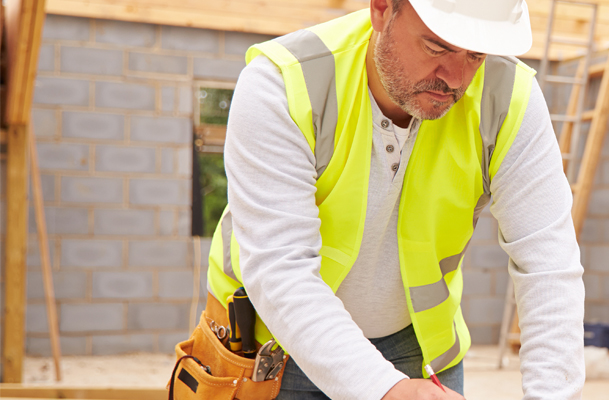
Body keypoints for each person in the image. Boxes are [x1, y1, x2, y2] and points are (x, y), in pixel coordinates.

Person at [205, 0, 585, 398]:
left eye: (476, 55)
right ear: (382, 9)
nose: (456, 79)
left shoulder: (509, 99)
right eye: (437, 47)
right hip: (273, 348)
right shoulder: (283, 83)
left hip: (418, 350)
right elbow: (280, 266)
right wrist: (385, 389)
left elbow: (548, 262)